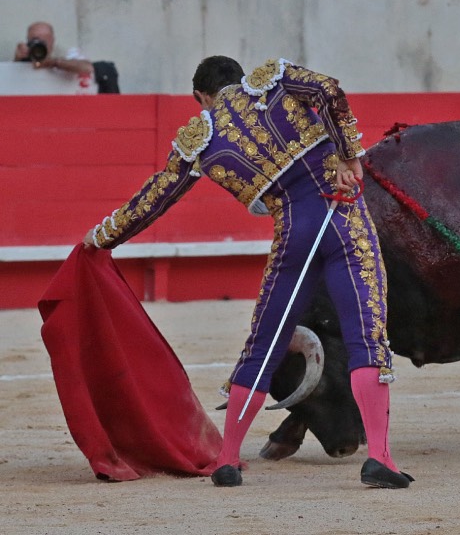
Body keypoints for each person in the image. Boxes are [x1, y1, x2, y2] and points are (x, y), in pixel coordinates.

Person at [82, 55, 412, 489]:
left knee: (263, 345)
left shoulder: (200, 139)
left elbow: (154, 199)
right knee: (366, 337)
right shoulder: (272, 82)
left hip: (292, 232)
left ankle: (227, 458)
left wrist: (99, 237)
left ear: (201, 97)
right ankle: (380, 460)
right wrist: (349, 156)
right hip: (343, 217)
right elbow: (329, 89)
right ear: (239, 78)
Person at [13, 21, 94, 76]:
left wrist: (54, 63)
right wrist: (18, 59)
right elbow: (13, 81)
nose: (39, 45)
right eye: (34, 40)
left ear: (52, 40)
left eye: (42, 40)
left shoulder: (66, 54)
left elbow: (87, 68)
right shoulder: (27, 54)